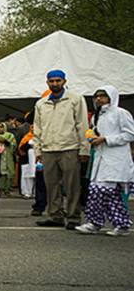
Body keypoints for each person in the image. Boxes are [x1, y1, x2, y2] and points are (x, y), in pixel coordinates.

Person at [32, 69, 90, 229]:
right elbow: (37, 129)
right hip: (48, 149)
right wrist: (38, 150)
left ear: (64, 81)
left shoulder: (75, 99)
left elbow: (82, 125)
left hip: (69, 148)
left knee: (72, 185)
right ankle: (55, 215)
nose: (55, 84)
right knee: (51, 185)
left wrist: (84, 149)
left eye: (58, 80)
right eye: (52, 81)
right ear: (47, 83)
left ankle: (73, 217)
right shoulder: (41, 103)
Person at [76, 86, 134, 236]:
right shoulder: (97, 116)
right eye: (96, 96)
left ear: (111, 97)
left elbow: (130, 134)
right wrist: (93, 137)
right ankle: (118, 224)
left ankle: (97, 223)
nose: (98, 99)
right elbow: (96, 132)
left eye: (103, 96)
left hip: (116, 159)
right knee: (104, 193)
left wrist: (106, 139)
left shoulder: (121, 113)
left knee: (101, 192)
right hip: (100, 160)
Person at [0, 122, 16, 196]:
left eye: (1, 127)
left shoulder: (10, 135)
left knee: (9, 173)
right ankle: (0, 189)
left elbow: (14, 146)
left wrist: (6, 141)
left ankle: (7, 189)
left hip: (7, 157)